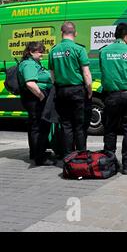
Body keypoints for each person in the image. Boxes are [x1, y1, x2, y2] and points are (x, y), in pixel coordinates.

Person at [99, 22, 127, 175]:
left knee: (110, 129)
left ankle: (109, 163)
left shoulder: (103, 52)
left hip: (111, 96)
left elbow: (104, 71)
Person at [49, 21, 92, 157]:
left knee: (66, 125)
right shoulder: (79, 49)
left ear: (61, 33)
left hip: (61, 91)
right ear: (75, 33)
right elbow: (86, 73)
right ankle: (81, 156)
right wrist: (89, 90)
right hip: (77, 91)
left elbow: (52, 75)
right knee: (79, 126)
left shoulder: (53, 50)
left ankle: (68, 157)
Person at [18, 42, 55, 166]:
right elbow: (30, 83)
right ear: (31, 52)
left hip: (34, 98)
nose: (42, 54)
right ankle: (40, 157)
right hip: (34, 99)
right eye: (40, 52)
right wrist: (41, 96)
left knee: (35, 126)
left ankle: (35, 152)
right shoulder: (28, 64)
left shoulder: (33, 63)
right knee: (39, 127)